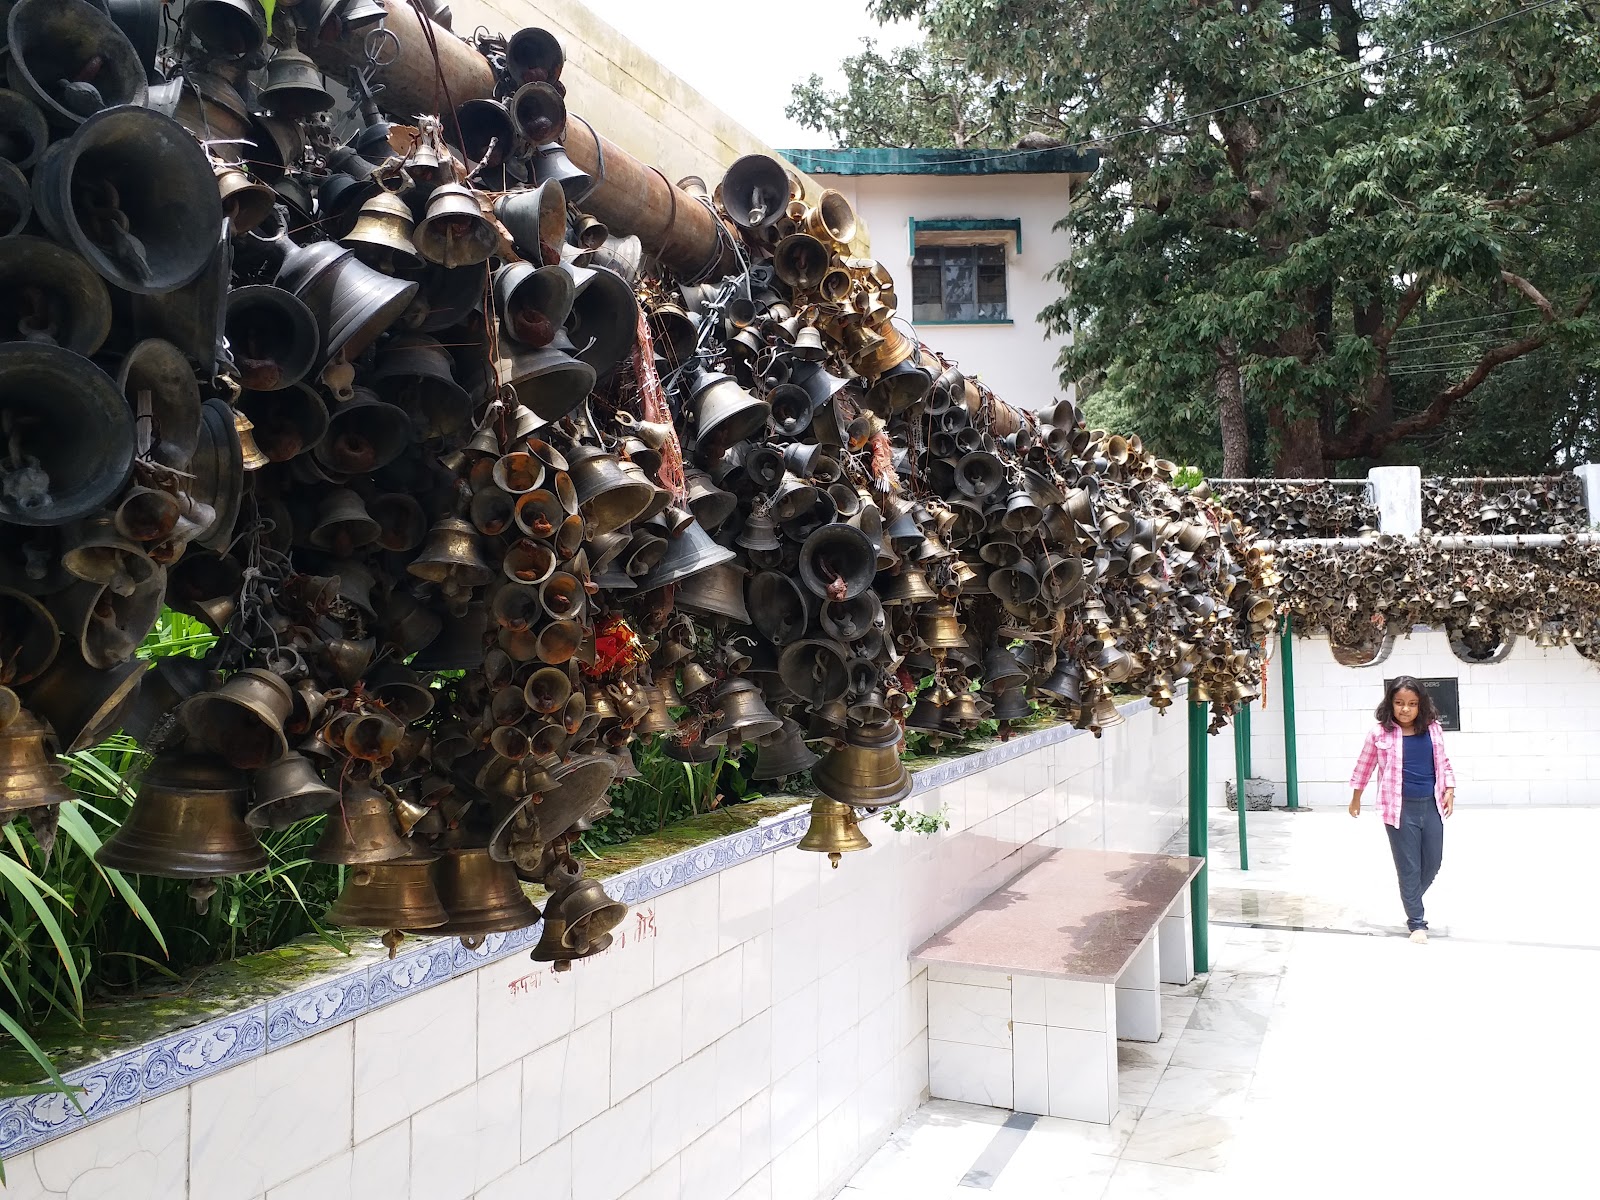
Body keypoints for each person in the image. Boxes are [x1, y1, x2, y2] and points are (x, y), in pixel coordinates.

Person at [1347, 676, 1457, 942]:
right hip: (1398, 808)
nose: (1405, 709)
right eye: (1399, 703)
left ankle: (1409, 896)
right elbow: (1365, 764)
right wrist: (1356, 797)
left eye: (1411, 704)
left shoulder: (1433, 729)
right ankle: (1417, 922)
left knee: (1432, 863)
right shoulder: (1379, 733)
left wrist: (1450, 789)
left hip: (1431, 805)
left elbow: (1443, 761)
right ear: (1390, 704)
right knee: (1408, 867)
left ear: (1420, 705)